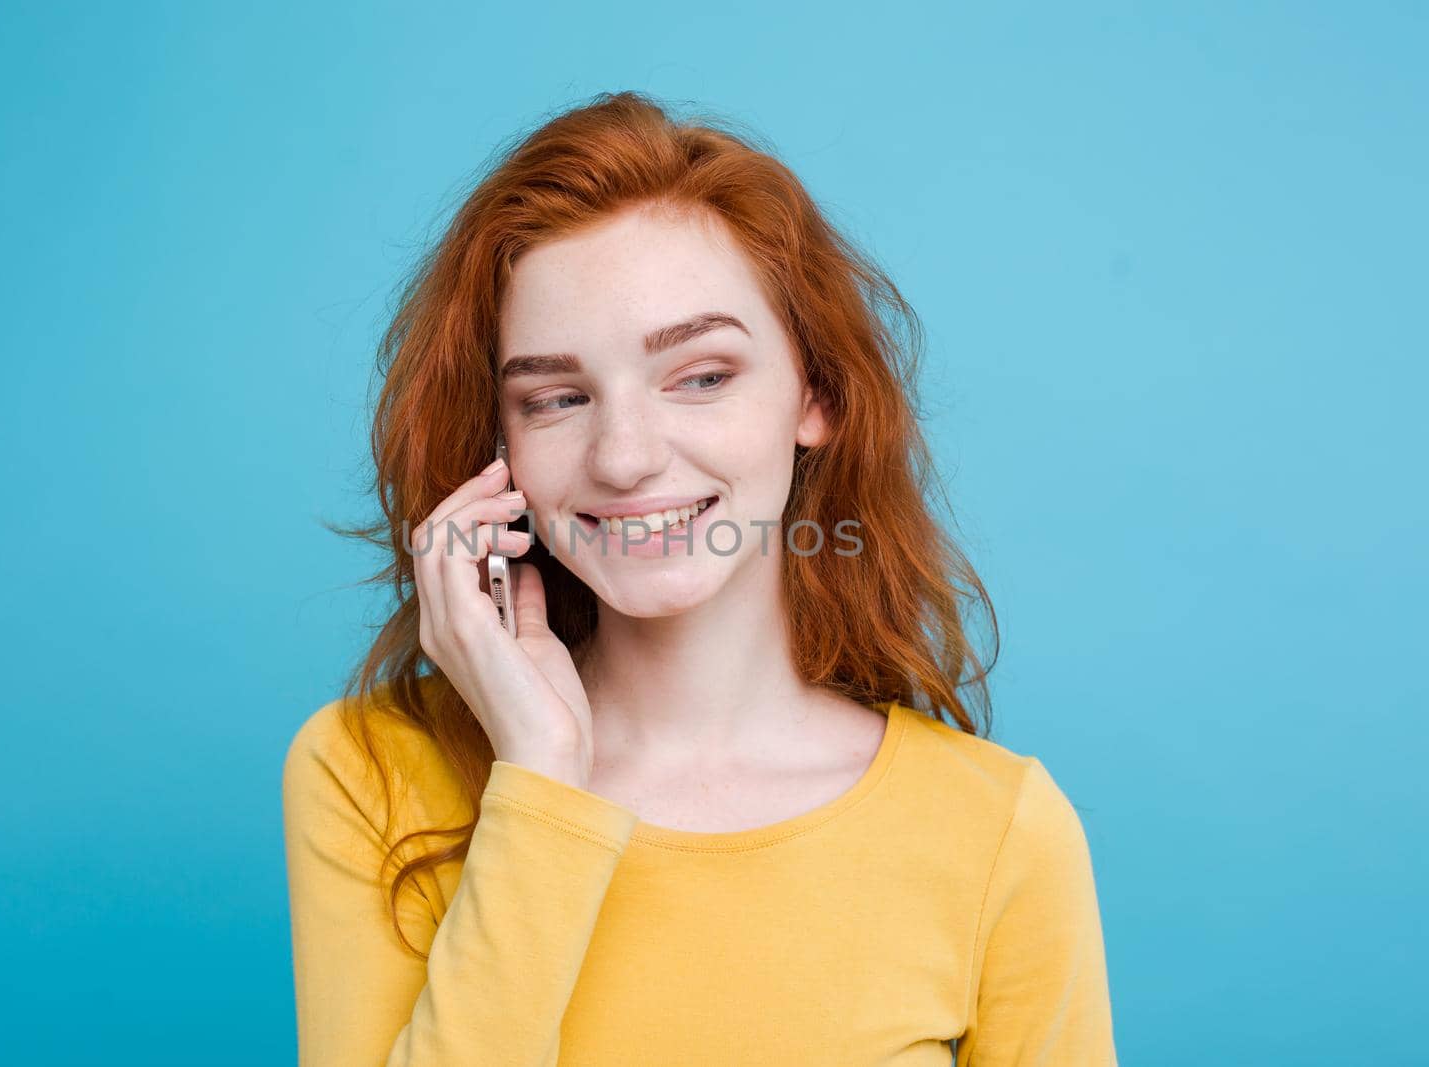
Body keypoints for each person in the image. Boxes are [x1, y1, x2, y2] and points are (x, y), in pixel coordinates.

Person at [282, 90, 1119, 1065]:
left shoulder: (998, 830)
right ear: (498, 447)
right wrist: (542, 782)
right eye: (555, 398)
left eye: (702, 375)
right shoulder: (369, 774)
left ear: (817, 394)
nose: (625, 456)